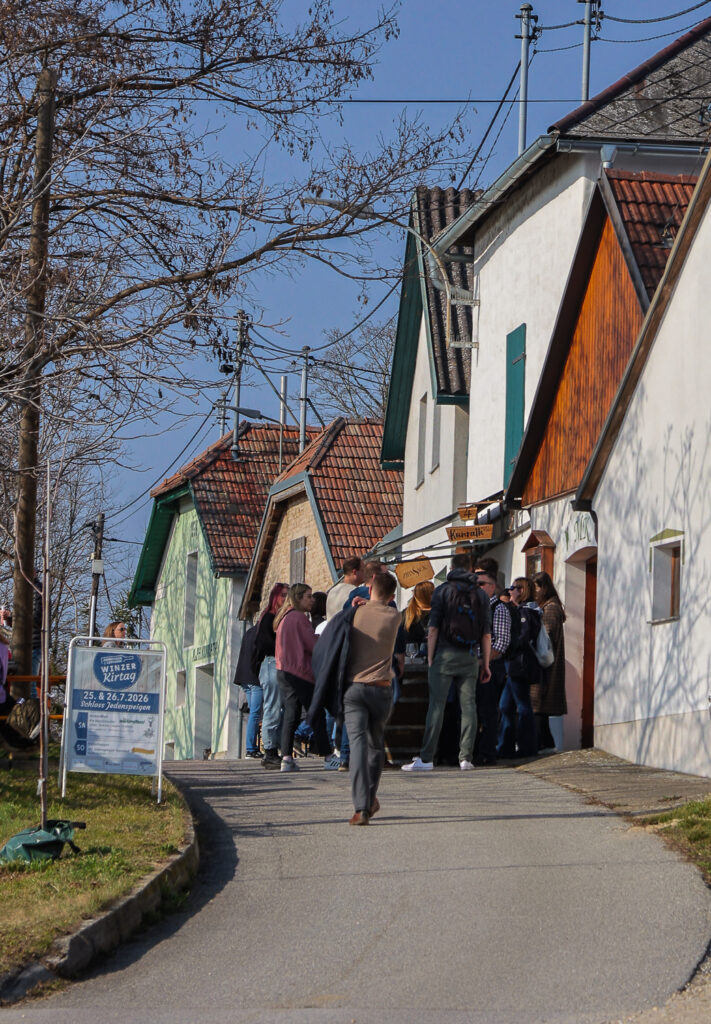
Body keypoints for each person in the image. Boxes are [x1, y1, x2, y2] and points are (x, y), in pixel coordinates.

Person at [402, 553, 491, 772]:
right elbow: (487, 634)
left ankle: (427, 758)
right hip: (470, 655)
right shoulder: (481, 595)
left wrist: (431, 656)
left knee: (436, 706)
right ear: (470, 568)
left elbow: (432, 629)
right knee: (469, 706)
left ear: (452, 567)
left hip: (444, 655)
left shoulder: (442, 591)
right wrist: (485, 663)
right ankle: (466, 758)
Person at [341, 571, 401, 824]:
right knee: (376, 746)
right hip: (381, 687)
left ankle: (361, 807)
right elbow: (384, 608)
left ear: (369, 589)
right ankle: (370, 798)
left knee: (357, 745)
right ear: (392, 596)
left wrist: (359, 605)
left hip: (354, 689)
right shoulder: (395, 616)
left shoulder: (355, 613)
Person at [274, 583, 332, 772]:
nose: (312, 600)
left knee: (291, 714)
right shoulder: (299, 618)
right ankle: (328, 755)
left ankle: (286, 757)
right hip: (299, 671)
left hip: (284, 670)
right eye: (308, 596)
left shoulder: (284, 618)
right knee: (316, 713)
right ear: (299, 598)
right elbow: (312, 645)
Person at [497, 577, 539, 759]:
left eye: (513, 588)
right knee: (505, 705)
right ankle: (505, 746)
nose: (509, 591)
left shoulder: (526, 612)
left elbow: (522, 638)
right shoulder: (520, 610)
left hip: (519, 664)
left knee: (522, 706)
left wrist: (505, 646)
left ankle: (526, 747)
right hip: (513, 663)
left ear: (521, 591)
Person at [474, 571, 512, 765]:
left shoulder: (499, 609)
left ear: (492, 586)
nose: (477, 586)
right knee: (475, 711)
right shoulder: (477, 607)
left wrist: (483, 662)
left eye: (481, 583)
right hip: (475, 666)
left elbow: (501, 643)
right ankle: (475, 752)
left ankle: (487, 754)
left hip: (491, 667)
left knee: (488, 712)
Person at [254, 582, 289, 769]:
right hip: (271, 663)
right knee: (273, 708)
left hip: (277, 664)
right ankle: (269, 751)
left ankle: (275, 749)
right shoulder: (269, 618)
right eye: (283, 595)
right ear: (276, 597)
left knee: (279, 709)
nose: (285, 599)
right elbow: (265, 645)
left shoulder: (278, 618)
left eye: (287, 595)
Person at [531, 571, 567, 752]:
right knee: (539, 705)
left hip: (546, 663)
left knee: (540, 703)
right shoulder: (548, 606)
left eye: (536, 587)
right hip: (546, 662)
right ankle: (545, 742)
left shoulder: (551, 607)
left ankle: (544, 743)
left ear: (544, 587)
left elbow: (547, 635)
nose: (535, 592)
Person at [232, 624, 262, 758]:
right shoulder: (261, 633)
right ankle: (250, 749)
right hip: (254, 678)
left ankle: (252, 748)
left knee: (253, 714)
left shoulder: (249, 631)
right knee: (255, 713)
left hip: (243, 677)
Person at [401, 580, 434, 649]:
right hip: (428, 654)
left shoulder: (406, 613)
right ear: (427, 595)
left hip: (410, 655)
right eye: (433, 592)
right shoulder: (437, 612)